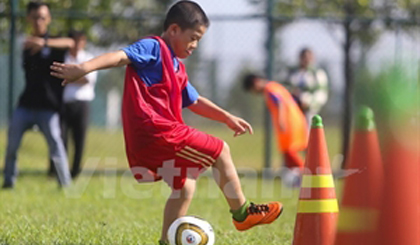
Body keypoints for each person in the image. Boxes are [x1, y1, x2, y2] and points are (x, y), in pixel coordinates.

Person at [50, 1, 283, 244]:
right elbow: (120, 56)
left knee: (186, 186)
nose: (194, 45)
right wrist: (84, 68)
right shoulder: (154, 47)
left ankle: (165, 241)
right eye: (193, 38)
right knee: (220, 150)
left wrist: (226, 117)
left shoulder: (177, 67)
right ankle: (242, 213)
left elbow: (194, 101)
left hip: (158, 135)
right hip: (156, 131)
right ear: (173, 30)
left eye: (198, 40)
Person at [2, 2, 73, 189]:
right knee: (12, 145)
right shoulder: (26, 44)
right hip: (25, 105)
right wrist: (36, 44)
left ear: (48, 19)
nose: (38, 21)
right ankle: (8, 181)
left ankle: (65, 184)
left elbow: (71, 42)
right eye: (35, 17)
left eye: (42, 17)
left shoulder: (56, 43)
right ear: (28, 19)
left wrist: (45, 43)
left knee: (56, 146)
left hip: (48, 108)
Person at [48, 30, 98, 178]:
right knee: (60, 138)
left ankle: (75, 171)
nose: (77, 44)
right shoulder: (63, 58)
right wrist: (77, 76)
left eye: (80, 41)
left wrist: (69, 76)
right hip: (64, 103)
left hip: (82, 104)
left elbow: (87, 80)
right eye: (75, 41)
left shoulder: (88, 59)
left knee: (79, 139)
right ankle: (57, 171)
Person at [243, 74, 308, 187]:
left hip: (289, 123)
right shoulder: (275, 86)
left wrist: (281, 120)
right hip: (296, 120)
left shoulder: (270, 89)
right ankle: (299, 179)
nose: (254, 92)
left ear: (255, 82)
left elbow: (279, 102)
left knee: (289, 152)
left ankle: (306, 176)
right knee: (289, 155)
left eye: (252, 89)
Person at [286, 48, 329, 126]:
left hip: (310, 111)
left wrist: (308, 103)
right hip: (293, 110)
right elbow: (285, 89)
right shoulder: (293, 73)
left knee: (308, 133)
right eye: (303, 57)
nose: (306, 59)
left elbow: (322, 94)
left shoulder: (318, 74)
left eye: (308, 57)